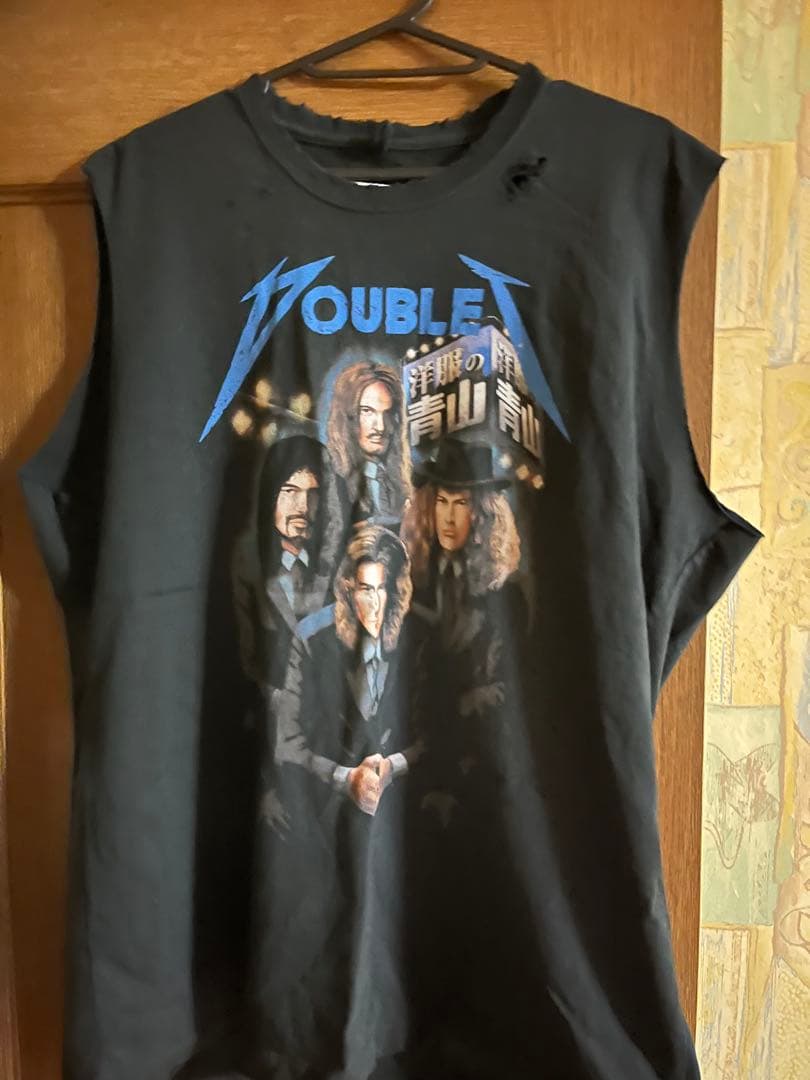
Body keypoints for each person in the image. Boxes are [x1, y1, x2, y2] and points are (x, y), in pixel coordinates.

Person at [272, 523, 426, 821]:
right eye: (366, 590)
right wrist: (346, 778)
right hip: (327, 806)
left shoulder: (421, 633)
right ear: (347, 587)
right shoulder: (311, 638)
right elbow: (288, 742)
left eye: (383, 589)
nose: (376, 605)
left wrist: (393, 767)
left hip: (409, 807)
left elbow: (438, 732)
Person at [325, 359, 412, 529]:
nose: (380, 427)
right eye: (367, 411)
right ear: (347, 416)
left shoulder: (400, 484)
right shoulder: (330, 480)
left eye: (387, 413)